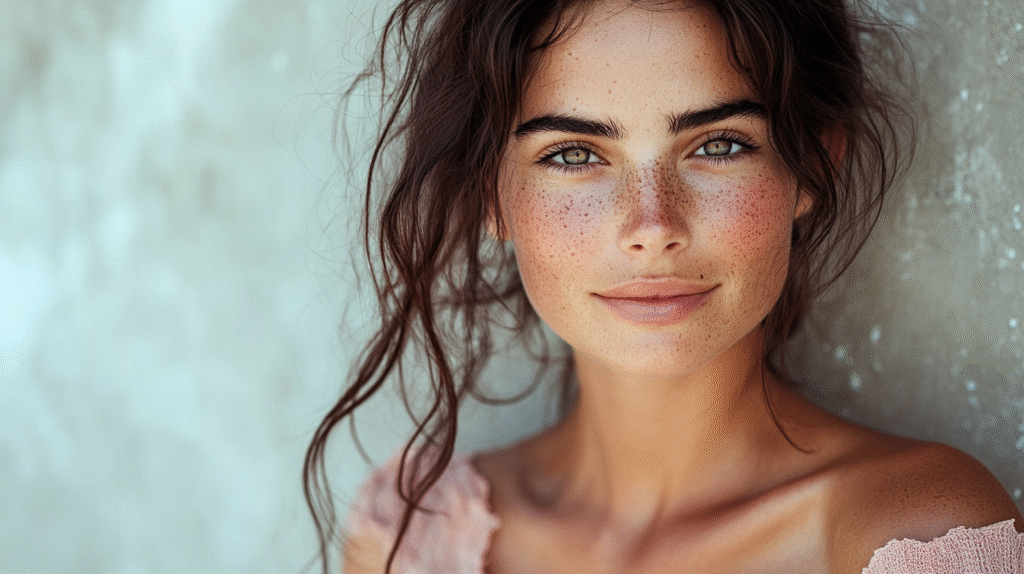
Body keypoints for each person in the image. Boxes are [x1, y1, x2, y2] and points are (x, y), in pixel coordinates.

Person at [303, 0, 1024, 573]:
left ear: (813, 165)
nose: (652, 227)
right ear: (489, 193)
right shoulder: (414, 540)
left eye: (719, 145)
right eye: (574, 154)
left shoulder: (918, 537)